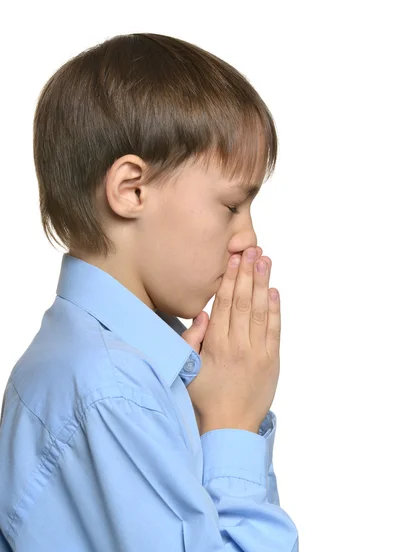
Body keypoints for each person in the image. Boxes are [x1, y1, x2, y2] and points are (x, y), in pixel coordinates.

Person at [0, 33, 299, 551]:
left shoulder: (120, 370)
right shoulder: (110, 390)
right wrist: (232, 425)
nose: (248, 237)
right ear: (131, 190)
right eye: (231, 206)